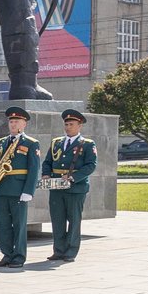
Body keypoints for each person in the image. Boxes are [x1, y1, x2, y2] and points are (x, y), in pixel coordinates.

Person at [0, 106, 42, 268]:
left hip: (19, 190)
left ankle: (19, 256)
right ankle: (7, 253)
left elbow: (34, 168)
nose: (13, 124)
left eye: (17, 121)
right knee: (3, 224)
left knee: (19, 225)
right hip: (1, 188)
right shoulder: (1, 142)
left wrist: (28, 191)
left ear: (24, 124)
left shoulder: (31, 143)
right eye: (11, 121)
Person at [43, 108, 96, 262]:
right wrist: (46, 174)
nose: (68, 127)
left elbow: (91, 165)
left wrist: (73, 177)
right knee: (57, 220)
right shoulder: (56, 143)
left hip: (75, 188)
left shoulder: (87, 144)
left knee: (73, 220)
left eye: (71, 124)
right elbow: (47, 162)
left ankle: (71, 251)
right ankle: (59, 250)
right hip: (56, 186)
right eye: (66, 124)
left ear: (80, 126)